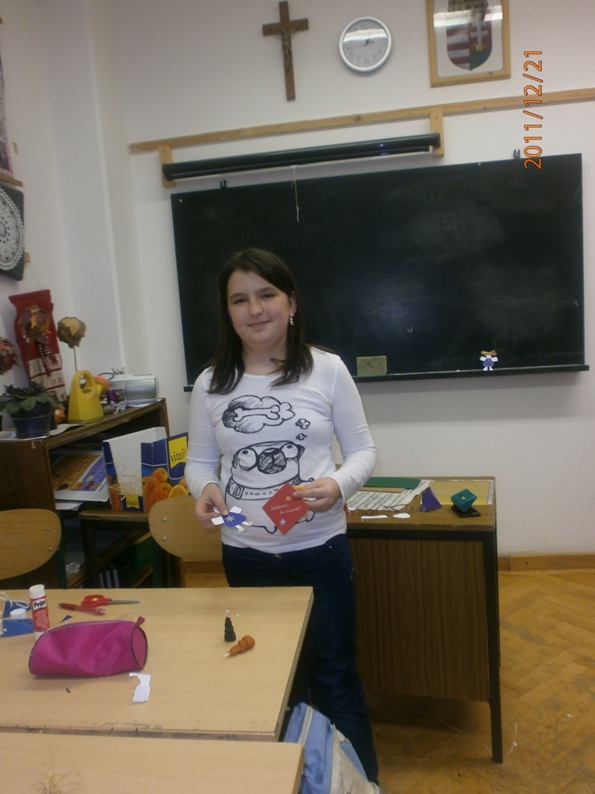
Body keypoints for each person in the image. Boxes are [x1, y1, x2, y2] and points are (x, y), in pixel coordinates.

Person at [185, 247, 379, 782]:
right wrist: (205, 489)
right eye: (239, 299)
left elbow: (363, 451)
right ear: (227, 312)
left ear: (290, 303)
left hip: (320, 555)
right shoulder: (211, 384)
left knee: (334, 678)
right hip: (246, 556)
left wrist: (338, 484)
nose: (254, 309)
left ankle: (360, 785)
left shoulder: (327, 370)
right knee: (273, 683)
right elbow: (198, 463)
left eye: (266, 294)